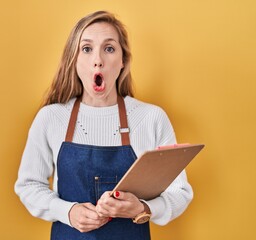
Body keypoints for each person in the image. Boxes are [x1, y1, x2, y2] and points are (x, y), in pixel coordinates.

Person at [14, 10, 193, 240]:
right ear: (75, 60)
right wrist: (68, 212)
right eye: (86, 49)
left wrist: (142, 209)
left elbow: (180, 192)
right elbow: (28, 185)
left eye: (109, 48)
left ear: (123, 61)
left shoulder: (151, 118)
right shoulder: (50, 118)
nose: (98, 59)